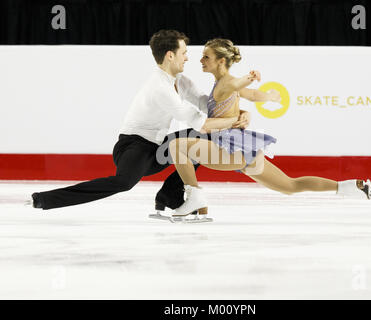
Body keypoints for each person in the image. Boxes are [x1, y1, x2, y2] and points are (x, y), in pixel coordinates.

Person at [29, 30, 250, 212]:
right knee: (124, 183)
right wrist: (232, 122)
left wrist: (241, 112)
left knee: (204, 140)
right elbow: (199, 121)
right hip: (134, 146)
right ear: (170, 55)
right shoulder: (160, 87)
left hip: (158, 146)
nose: (187, 57)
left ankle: (169, 196)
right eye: (184, 52)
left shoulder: (180, 81)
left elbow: (207, 105)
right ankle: (45, 199)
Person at [168, 38, 371, 216]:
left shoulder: (228, 83)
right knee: (290, 186)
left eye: (206, 57)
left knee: (178, 146)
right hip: (240, 150)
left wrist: (249, 78)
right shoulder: (224, 84)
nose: (201, 60)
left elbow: (238, 86)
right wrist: (267, 96)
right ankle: (351, 186)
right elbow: (251, 94)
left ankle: (196, 199)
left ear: (221, 61)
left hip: (229, 147)